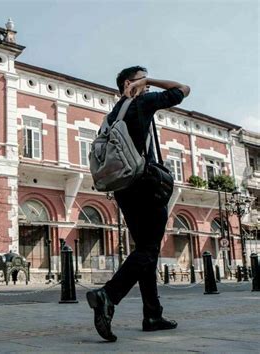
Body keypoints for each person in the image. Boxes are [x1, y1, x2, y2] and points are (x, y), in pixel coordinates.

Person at [86, 66, 190, 342]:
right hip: (145, 184)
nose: (147, 83)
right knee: (148, 248)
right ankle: (108, 294)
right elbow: (183, 90)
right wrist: (151, 81)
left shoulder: (111, 116)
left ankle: (152, 314)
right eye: (142, 78)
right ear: (130, 83)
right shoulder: (142, 102)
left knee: (146, 250)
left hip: (122, 187)